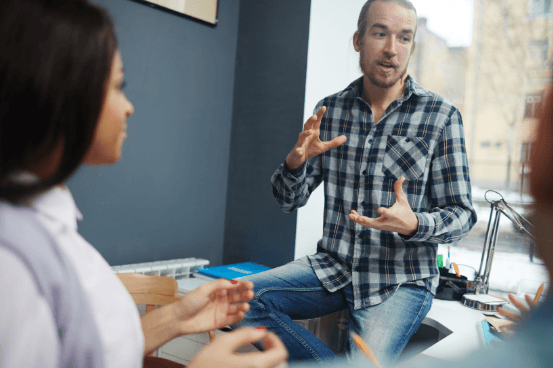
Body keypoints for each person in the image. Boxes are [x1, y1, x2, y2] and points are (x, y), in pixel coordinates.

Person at [0, 1, 288, 368]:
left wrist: (177, 317)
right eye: (119, 86)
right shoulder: (11, 265)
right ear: (63, 92)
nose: (129, 106)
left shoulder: (46, 225)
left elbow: (93, 355)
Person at [235, 0, 477, 364]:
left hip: (400, 280)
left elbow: (463, 215)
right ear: (358, 40)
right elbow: (288, 200)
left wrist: (414, 225)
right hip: (333, 266)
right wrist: (294, 163)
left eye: (404, 37)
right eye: (380, 33)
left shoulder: (441, 117)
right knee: (238, 300)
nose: (391, 49)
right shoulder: (329, 112)